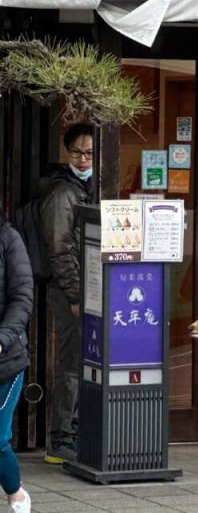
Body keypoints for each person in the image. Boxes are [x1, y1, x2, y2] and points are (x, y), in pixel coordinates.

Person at [41, 123, 95, 465]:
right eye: (77, 152)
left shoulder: (88, 187)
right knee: (73, 363)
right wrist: (75, 296)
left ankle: (77, 433)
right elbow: (59, 249)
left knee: (83, 361)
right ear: (67, 152)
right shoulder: (63, 193)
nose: (84, 159)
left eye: (90, 153)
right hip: (70, 292)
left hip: (88, 289)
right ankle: (61, 439)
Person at [0, 215, 34, 512]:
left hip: (5, 362)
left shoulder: (8, 239)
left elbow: (22, 298)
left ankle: (16, 494)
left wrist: (2, 338)